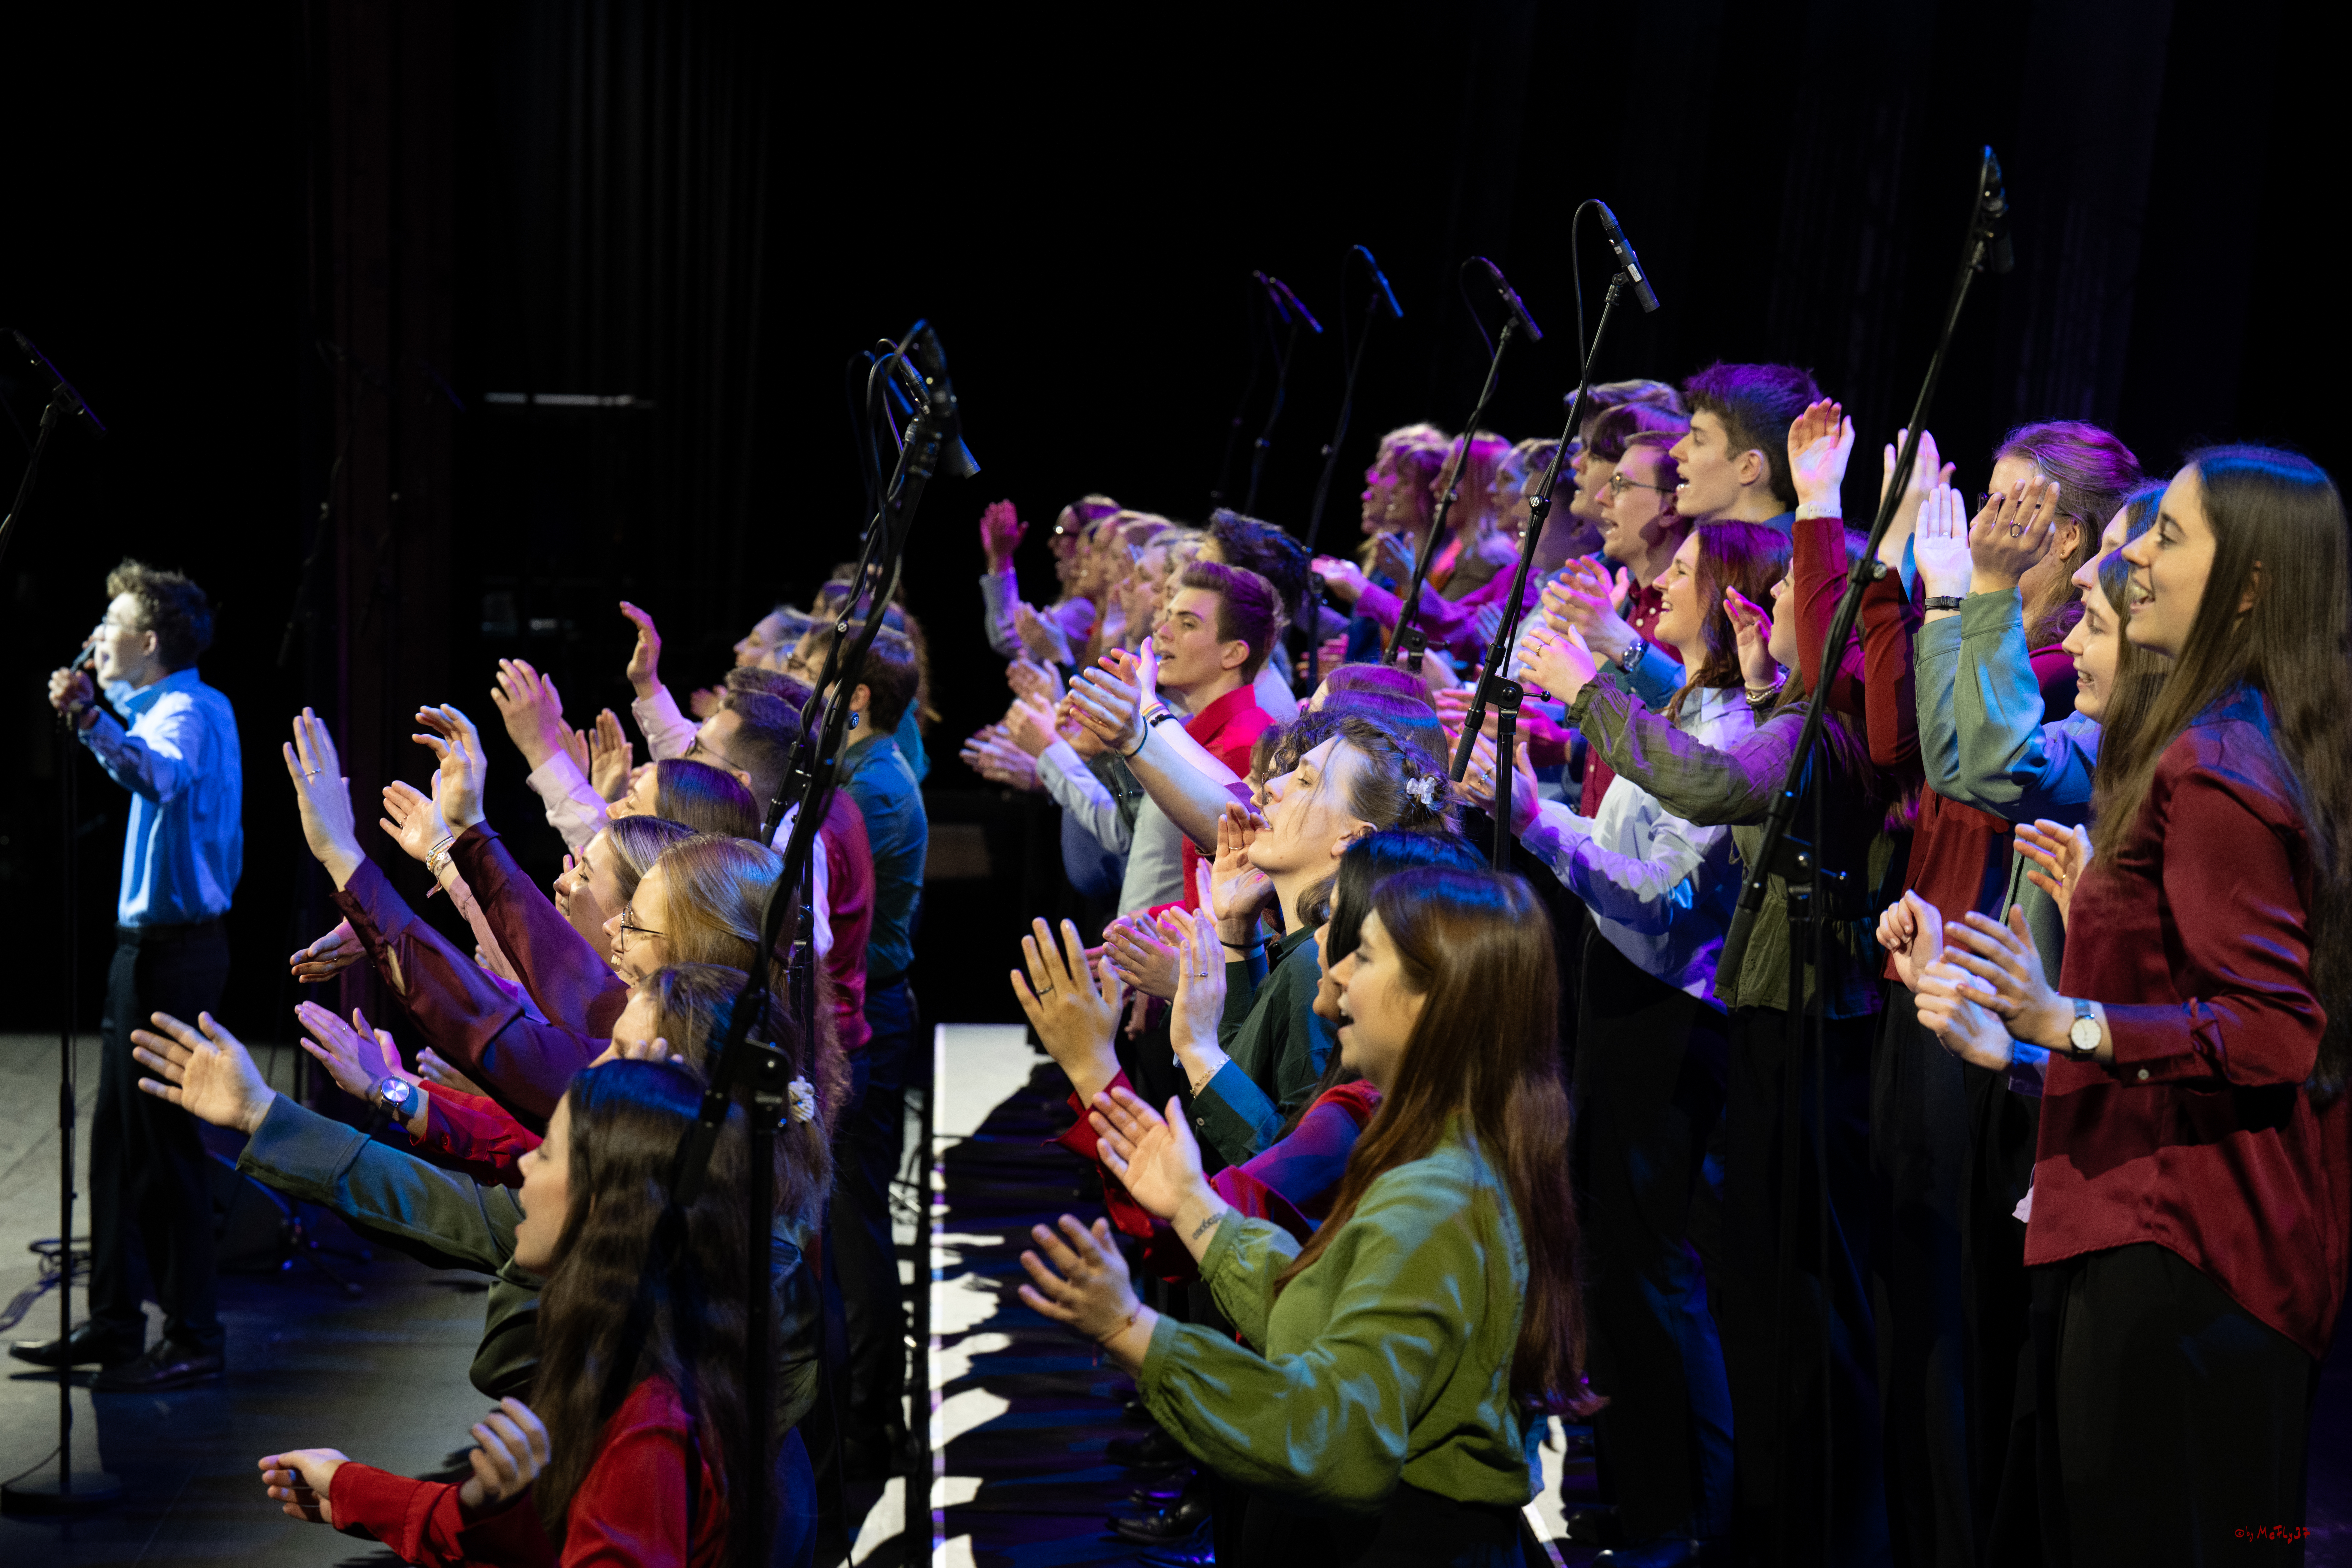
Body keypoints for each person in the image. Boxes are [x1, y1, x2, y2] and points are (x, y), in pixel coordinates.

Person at [1914, 446, 2352, 1565]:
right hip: (2153, 1235)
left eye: (2167, 537)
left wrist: (2068, 1021)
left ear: (2247, 586)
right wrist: (2014, 1037)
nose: (2132, 555)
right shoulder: (2217, 745)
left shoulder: (2215, 762)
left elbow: (2270, 1027)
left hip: (2183, 1258)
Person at [1016, 866, 1582, 1567]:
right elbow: (1317, 1313)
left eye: (1364, 954)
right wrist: (1193, 1203)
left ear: (1433, 1000)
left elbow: (1329, 1435)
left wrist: (1133, 1331)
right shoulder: (1441, 1147)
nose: (1336, 971)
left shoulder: (1436, 1192)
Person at [17, 560, 242, 1390]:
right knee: (115, 1141)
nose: (95, 634)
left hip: (173, 955)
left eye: (110, 620)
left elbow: (160, 771)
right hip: (148, 950)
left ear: (149, 642)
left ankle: (193, 1331)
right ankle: (115, 1319)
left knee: (166, 1146)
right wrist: (97, 717)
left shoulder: (184, 709)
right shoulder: (176, 704)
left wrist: (88, 719)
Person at [794, 618, 929, 1475]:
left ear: (859, 699)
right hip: (867, 1008)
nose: (807, 696)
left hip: (866, 1016)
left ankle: (872, 1414)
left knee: (855, 1227)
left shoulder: (871, 789)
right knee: (848, 1221)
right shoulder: (860, 769)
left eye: (816, 679)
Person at [1666, 362, 1821, 530]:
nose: (1675, 452)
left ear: (1748, 467)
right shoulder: (1702, 551)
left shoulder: (1795, 555)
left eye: (1699, 440)